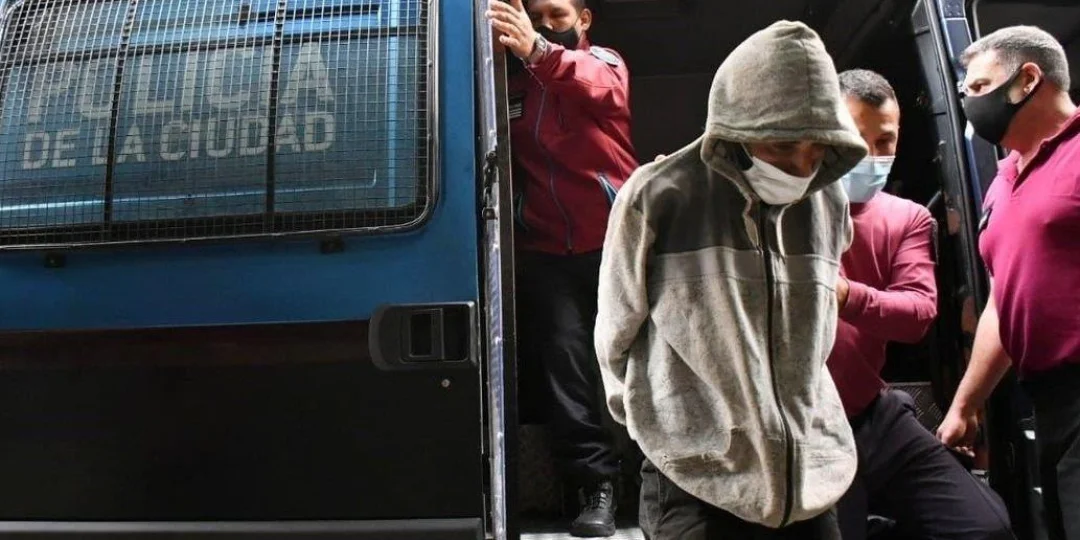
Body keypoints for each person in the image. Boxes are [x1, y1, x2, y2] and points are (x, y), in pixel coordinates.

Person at [595, 20, 864, 539]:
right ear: (737, 130)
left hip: (809, 472)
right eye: (781, 147)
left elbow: (818, 327)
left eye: (815, 150)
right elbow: (615, 332)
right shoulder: (659, 195)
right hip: (695, 474)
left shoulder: (828, 201)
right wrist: (662, 423)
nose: (800, 167)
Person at [831, 69, 1013, 540]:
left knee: (985, 527)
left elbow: (917, 315)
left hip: (871, 412)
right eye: (855, 139)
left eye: (884, 141)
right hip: (805, 427)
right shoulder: (782, 210)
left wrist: (846, 295)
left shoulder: (907, 218)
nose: (870, 155)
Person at [487, 0, 638, 536]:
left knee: (640, 366)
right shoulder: (510, 87)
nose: (546, 25)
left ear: (584, 19)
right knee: (567, 374)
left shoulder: (602, 63)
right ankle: (595, 488)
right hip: (548, 252)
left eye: (557, 14)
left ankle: (661, 481)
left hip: (618, 247)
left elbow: (600, 88)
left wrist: (539, 49)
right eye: (537, 16)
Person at [936, 25, 1080, 540]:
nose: (970, 102)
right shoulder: (1005, 178)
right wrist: (965, 404)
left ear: (1027, 80)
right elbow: (1005, 299)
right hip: (1048, 401)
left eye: (979, 87)